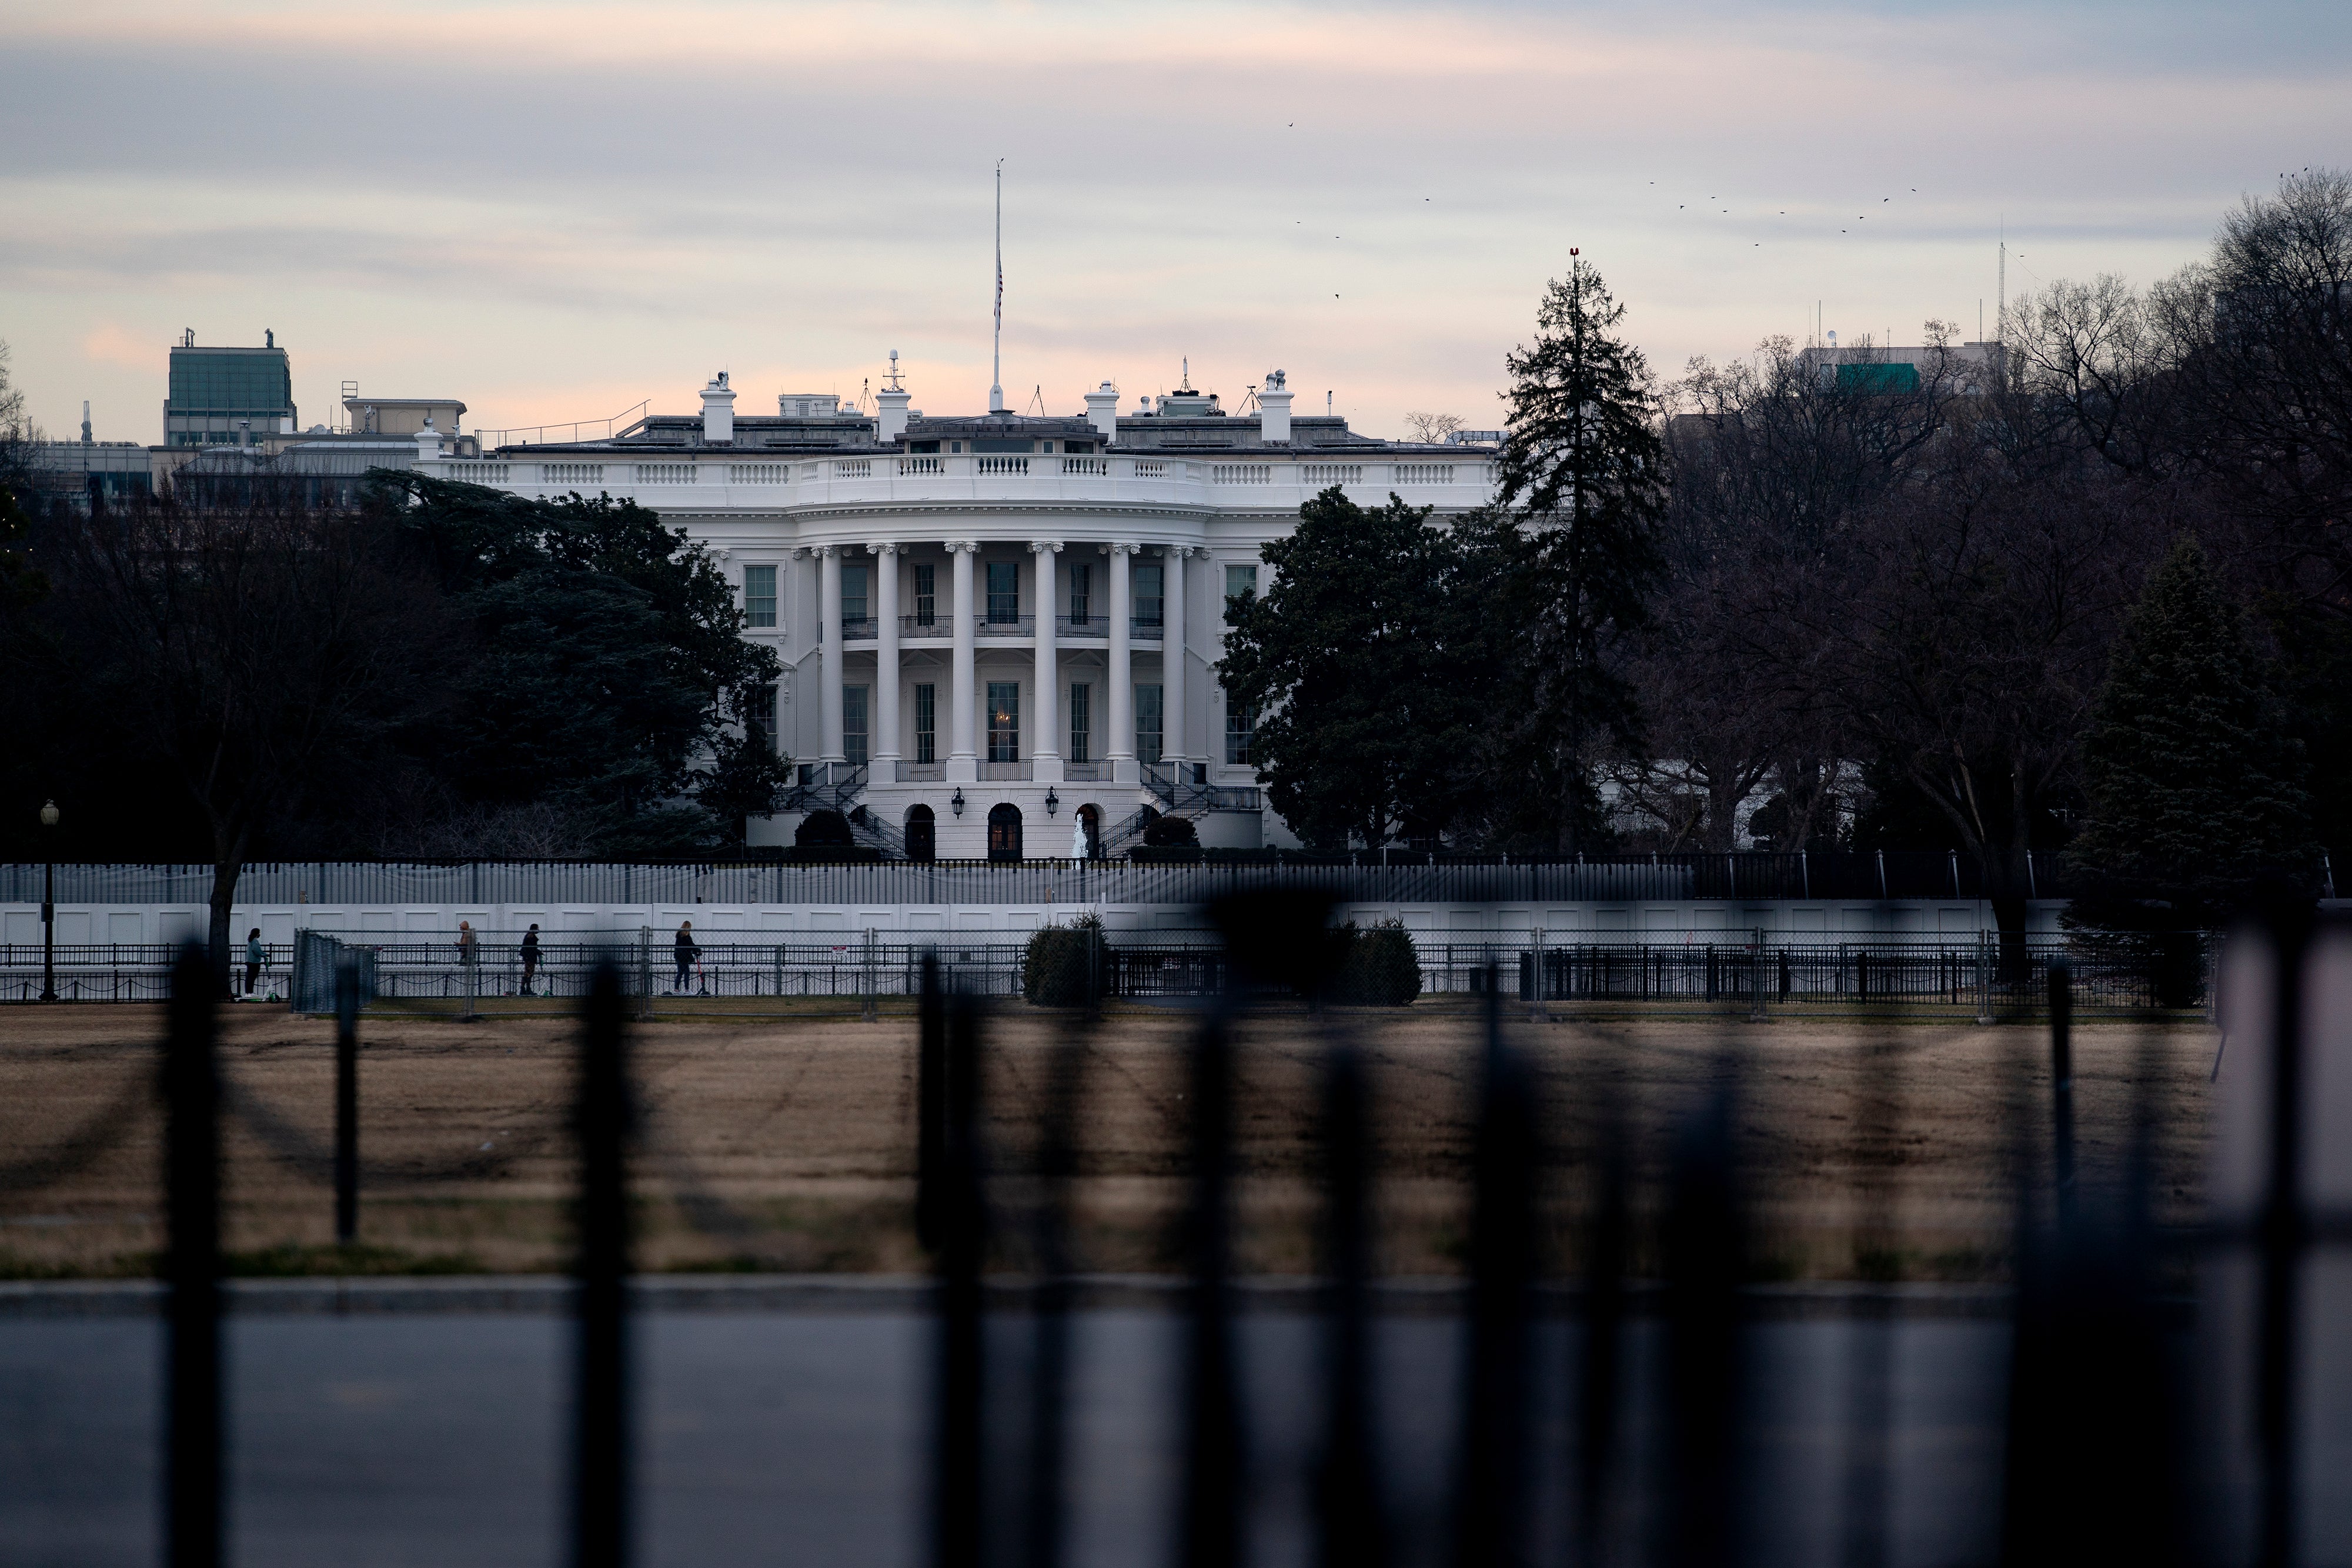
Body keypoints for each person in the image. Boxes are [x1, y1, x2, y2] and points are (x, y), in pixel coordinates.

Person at [673, 921, 699, 994]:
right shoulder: (687, 937)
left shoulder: (679, 935)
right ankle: (687, 990)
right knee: (687, 973)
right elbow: (691, 945)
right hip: (684, 957)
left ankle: (676, 989)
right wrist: (698, 951)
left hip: (679, 956)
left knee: (680, 973)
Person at [519, 923, 541, 996]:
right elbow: (532, 948)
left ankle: (524, 989)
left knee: (528, 973)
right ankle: (526, 989)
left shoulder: (529, 936)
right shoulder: (531, 937)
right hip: (530, 957)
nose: (538, 930)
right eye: (537, 928)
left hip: (528, 957)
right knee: (529, 973)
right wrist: (538, 952)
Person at [243, 928, 265, 998]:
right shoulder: (255, 941)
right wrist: (264, 954)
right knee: (252, 977)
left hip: (249, 961)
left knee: (249, 977)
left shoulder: (250, 941)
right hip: (254, 962)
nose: (259, 934)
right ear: (257, 933)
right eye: (259, 933)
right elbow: (257, 951)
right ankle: (251, 992)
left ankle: (247, 993)